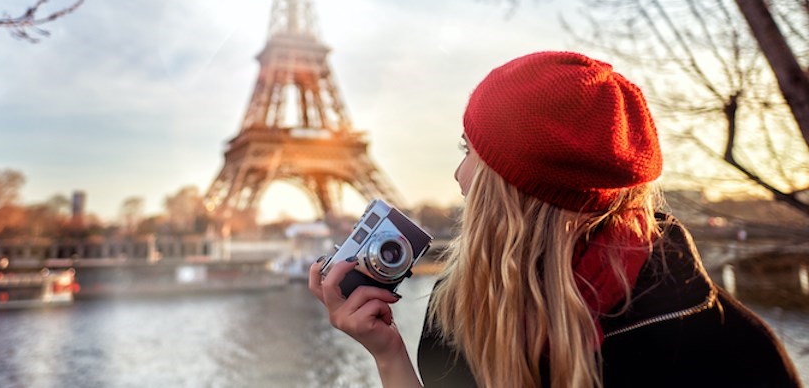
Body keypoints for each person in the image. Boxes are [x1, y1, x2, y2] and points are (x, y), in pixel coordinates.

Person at [308, 51, 801, 387]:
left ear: (520, 190)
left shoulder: (727, 351)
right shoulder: (454, 308)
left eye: (474, 153)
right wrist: (389, 354)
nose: (459, 176)